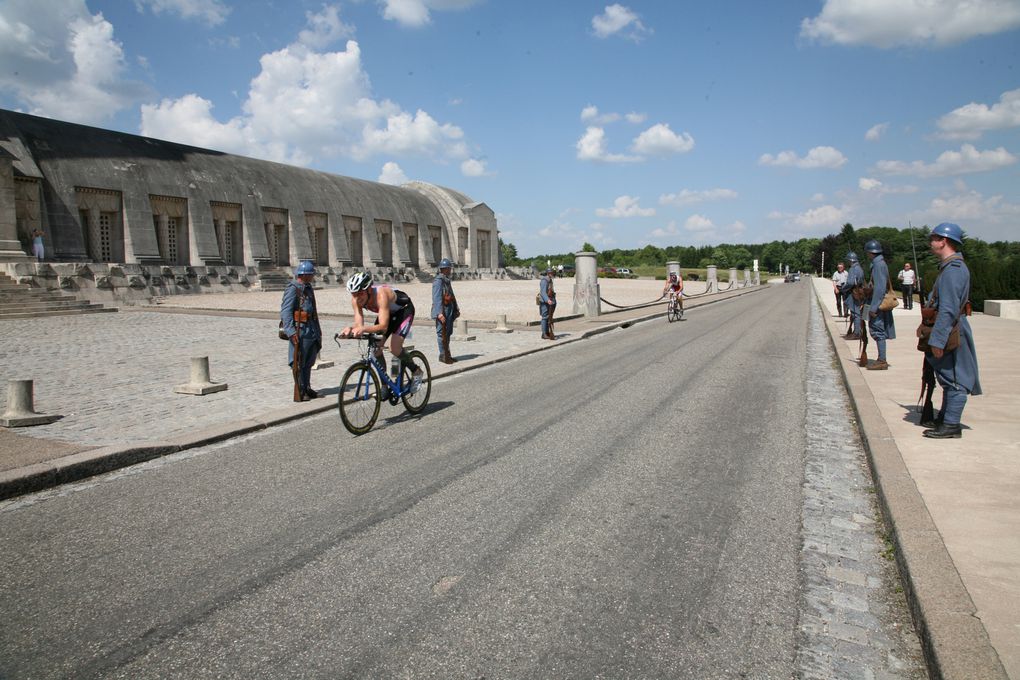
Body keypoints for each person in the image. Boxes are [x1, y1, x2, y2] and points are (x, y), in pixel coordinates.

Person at [922, 223, 981, 439]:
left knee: (955, 378)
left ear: (943, 241)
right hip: (949, 326)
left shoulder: (953, 270)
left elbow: (947, 308)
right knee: (947, 376)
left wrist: (938, 340)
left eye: (934, 239)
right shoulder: (950, 267)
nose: (931, 243)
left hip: (951, 329)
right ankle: (946, 420)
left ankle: (951, 425)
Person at [340, 271, 423, 393]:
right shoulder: (355, 300)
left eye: (360, 293)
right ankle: (385, 386)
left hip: (404, 311)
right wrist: (350, 330)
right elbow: (359, 324)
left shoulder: (381, 295)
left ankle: (416, 371)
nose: (357, 298)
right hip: (387, 314)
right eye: (354, 294)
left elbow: (383, 327)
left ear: (368, 290)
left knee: (394, 348)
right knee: (376, 350)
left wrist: (363, 329)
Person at [280, 260, 322, 401]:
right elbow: (286, 312)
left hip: (311, 328)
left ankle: (307, 387)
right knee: (299, 362)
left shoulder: (308, 287)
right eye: (310, 274)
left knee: (309, 361)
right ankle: (300, 389)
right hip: (300, 330)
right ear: (303, 275)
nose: (312, 277)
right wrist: (291, 332)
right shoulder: (293, 288)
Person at [864, 240, 896, 370]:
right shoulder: (879, 263)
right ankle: (881, 358)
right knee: (877, 330)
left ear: (871, 252)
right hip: (875, 302)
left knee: (878, 330)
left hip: (877, 304)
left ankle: (882, 360)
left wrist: (873, 307)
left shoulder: (878, 265)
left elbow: (880, 288)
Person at [431, 258, 460, 364]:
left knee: (447, 333)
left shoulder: (446, 280)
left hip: (449, 310)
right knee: (441, 334)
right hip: (442, 311)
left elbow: (452, 295)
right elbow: (436, 298)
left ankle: (447, 355)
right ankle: (443, 355)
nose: (450, 270)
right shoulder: (438, 281)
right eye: (449, 268)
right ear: (444, 269)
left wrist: (456, 308)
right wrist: (439, 313)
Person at [841, 252, 864, 339]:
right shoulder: (859, 268)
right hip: (858, 292)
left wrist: (843, 288)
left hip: (854, 292)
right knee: (857, 313)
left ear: (851, 260)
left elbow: (850, 282)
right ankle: (857, 331)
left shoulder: (853, 269)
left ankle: (857, 333)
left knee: (855, 313)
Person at [539, 267, 557, 340]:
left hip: (551, 300)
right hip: (545, 301)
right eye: (551, 273)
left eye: (552, 273)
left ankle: (548, 332)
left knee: (549, 318)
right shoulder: (544, 280)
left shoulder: (550, 280)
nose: (552, 274)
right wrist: (547, 300)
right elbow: (543, 292)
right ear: (548, 273)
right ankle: (544, 333)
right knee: (545, 317)